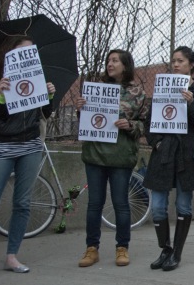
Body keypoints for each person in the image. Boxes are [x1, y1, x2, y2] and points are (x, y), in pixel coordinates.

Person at [144, 46, 194, 271]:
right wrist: (157, 143)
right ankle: (165, 249)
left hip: (186, 152)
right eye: (173, 60)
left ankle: (177, 253)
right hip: (163, 153)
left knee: (183, 204)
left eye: (180, 61)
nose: (175, 64)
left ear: (191, 64)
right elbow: (149, 122)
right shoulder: (163, 87)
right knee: (158, 205)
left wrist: (191, 102)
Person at [76, 49, 147, 268]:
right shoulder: (96, 89)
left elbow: (145, 125)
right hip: (95, 154)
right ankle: (91, 249)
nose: (110, 63)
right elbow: (88, 121)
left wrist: (131, 125)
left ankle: (122, 247)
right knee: (94, 204)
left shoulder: (137, 92)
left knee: (121, 204)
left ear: (125, 65)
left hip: (121, 156)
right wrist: (81, 109)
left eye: (115, 60)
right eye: (108, 60)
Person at [0, 35, 55, 273]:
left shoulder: (37, 78)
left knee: (22, 202)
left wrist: (49, 96)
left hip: (30, 145)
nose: (29, 53)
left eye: (32, 50)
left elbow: (45, 114)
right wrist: (0, 97)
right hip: (2, 145)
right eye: (23, 49)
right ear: (11, 54)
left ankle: (12, 256)